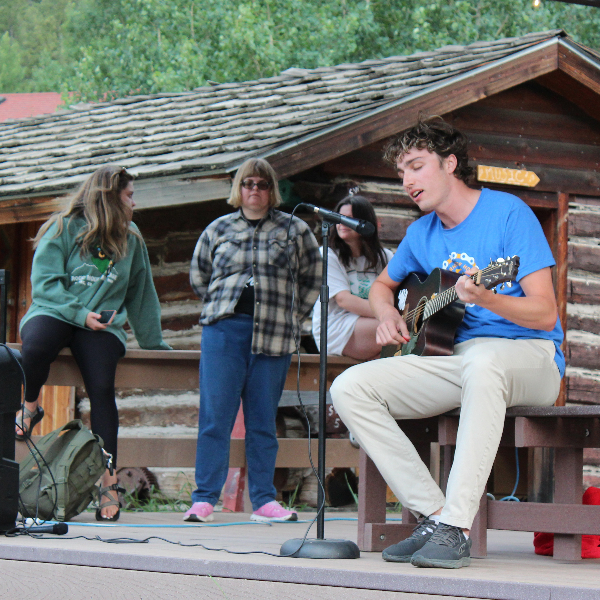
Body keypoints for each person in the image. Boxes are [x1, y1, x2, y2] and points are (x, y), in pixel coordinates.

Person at [330, 117, 564, 569]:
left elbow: (545, 313)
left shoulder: (509, 213)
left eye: (416, 166)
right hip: (458, 358)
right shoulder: (421, 233)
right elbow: (381, 286)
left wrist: (488, 298)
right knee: (350, 388)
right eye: (402, 172)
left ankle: (457, 528)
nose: (407, 181)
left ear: (450, 163)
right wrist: (387, 315)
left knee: (484, 362)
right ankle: (435, 516)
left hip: (531, 358)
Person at [16, 165, 171, 521]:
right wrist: (79, 313)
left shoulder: (132, 238)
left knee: (101, 388)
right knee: (35, 347)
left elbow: (141, 293)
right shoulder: (62, 227)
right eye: (129, 196)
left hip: (100, 326)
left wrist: (155, 344)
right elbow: (45, 284)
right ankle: (30, 405)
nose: (134, 203)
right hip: (56, 310)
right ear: (109, 198)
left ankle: (108, 483)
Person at [186, 157, 321, 523]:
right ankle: (204, 498)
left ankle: (263, 500)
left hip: (273, 335)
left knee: (263, 421)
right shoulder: (218, 228)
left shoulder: (294, 229)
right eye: (248, 184)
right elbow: (199, 276)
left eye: (262, 184)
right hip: (224, 333)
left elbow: (313, 276)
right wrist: (220, 306)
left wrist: (293, 316)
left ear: (271, 190)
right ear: (239, 189)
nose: (255, 190)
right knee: (215, 418)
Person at [312, 194, 393, 361]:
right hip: (337, 326)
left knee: (395, 339)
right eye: (340, 217)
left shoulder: (384, 257)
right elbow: (344, 300)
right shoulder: (327, 254)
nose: (342, 223)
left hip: (373, 320)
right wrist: (388, 314)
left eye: (350, 218)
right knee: (396, 328)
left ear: (365, 222)